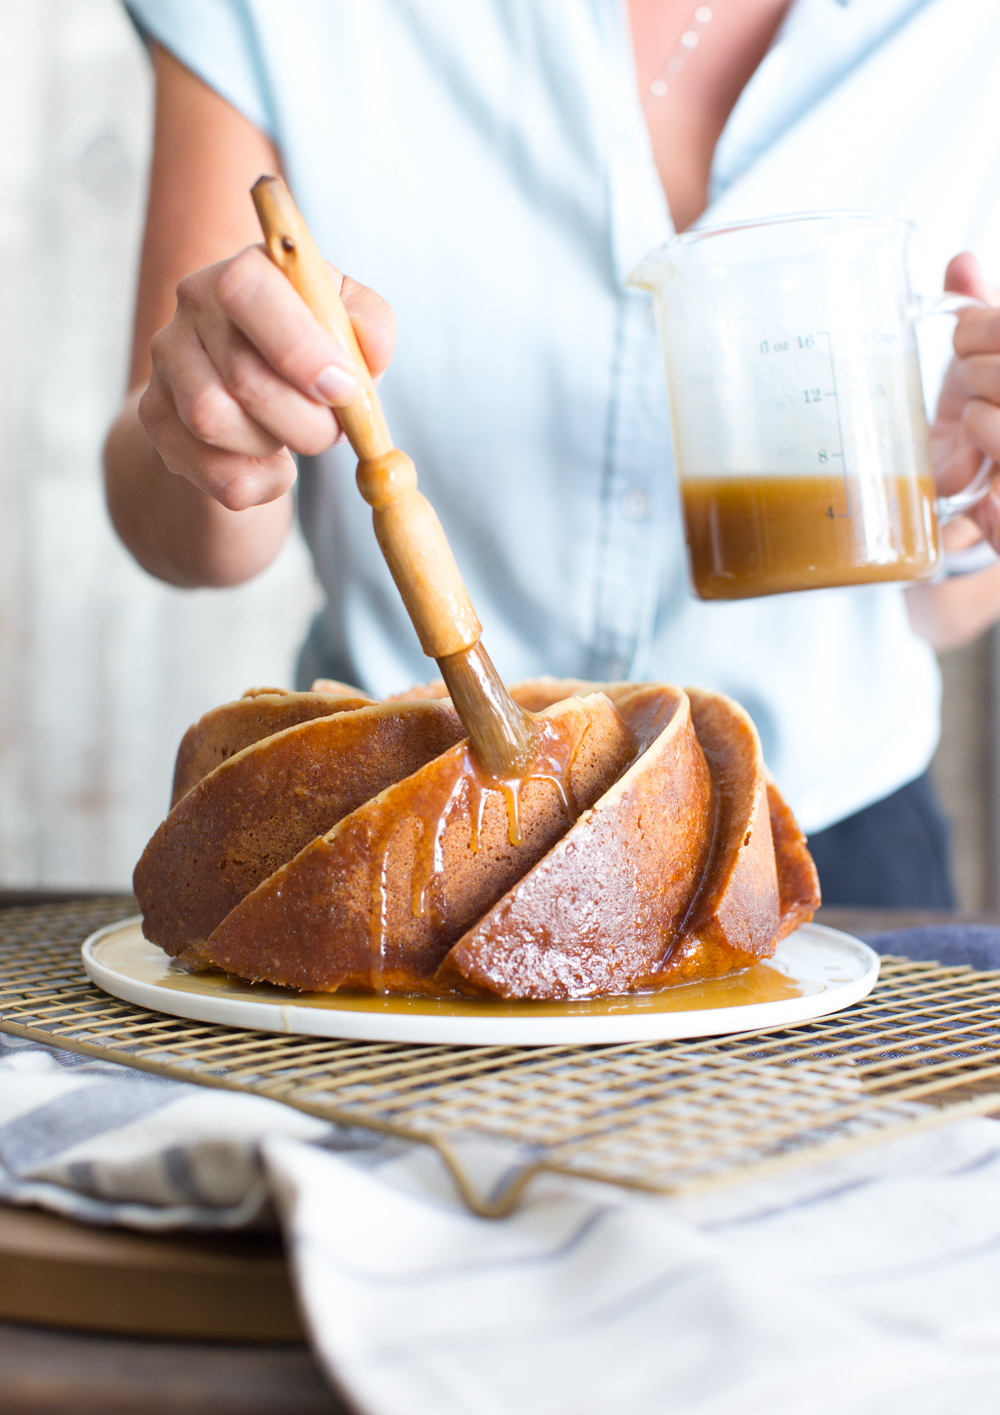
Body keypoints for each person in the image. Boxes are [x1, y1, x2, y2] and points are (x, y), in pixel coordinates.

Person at [105, 0, 1000, 907]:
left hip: (821, 837)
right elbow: (162, 521)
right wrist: (218, 430)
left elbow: (943, 611)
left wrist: (965, 496)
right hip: (405, 824)